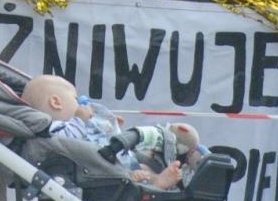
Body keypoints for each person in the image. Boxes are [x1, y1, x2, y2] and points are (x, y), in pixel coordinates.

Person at [21, 74, 206, 188]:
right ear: (56, 102)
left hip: (108, 158)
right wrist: (79, 118)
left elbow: (94, 138)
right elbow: (62, 142)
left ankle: (161, 173)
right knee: (135, 172)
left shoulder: (74, 123)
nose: (81, 103)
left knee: (140, 165)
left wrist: (107, 127)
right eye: (76, 99)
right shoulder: (50, 127)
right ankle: (157, 181)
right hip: (92, 169)